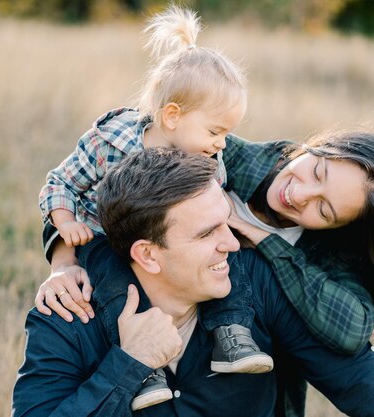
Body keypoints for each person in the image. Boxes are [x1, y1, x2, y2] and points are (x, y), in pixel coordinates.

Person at [39, 131, 374, 414]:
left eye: (325, 210)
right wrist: (64, 258)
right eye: (317, 172)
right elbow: (100, 178)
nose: (297, 195)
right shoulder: (220, 151)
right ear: (316, 147)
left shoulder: (288, 274)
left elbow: (357, 367)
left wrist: (263, 242)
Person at [36, 6, 271, 410]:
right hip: (108, 243)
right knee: (114, 291)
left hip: (172, 251)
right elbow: (60, 183)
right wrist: (66, 226)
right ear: (172, 116)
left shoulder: (209, 160)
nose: (222, 144)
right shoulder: (112, 141)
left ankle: (233, 335)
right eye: (216, 131)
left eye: (227, 133)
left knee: (229, 264)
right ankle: (145, 370)